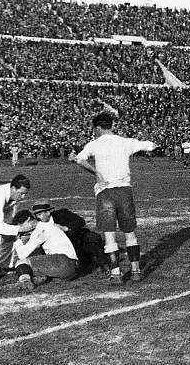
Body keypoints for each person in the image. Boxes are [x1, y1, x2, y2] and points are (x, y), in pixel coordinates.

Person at [74, 107, 157, 285]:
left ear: (97, 128)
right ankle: (136, 271)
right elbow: (150, 145)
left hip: (105, 192)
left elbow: (79, 160)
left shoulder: (94, 144)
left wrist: (96, 172)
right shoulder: (125, 142)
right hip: (124, 190)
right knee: (130, 232)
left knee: (109, 235)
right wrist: (152, 145)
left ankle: (116, 274)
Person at [31, 200, 107, 276]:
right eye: (36, 215)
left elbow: (80, 221)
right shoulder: (39, 225)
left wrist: (65, 228)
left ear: (48, 212)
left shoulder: (62, 214)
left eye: (40, 214)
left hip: (79, 241)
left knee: (92, 237)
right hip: (64, 251)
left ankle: (103, 263)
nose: (38, 218)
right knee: (82, 270)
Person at [12, 208, 79, 290]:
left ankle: (25, 282)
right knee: (36, 260)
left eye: (21, 226)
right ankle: (43, 278)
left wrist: (17, 241)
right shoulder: (47, 226)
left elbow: (22, 255)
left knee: (21, 262)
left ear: (28, 220)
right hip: (72, 267)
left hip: (62, 261)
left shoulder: (40, 230)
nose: (21, 229)